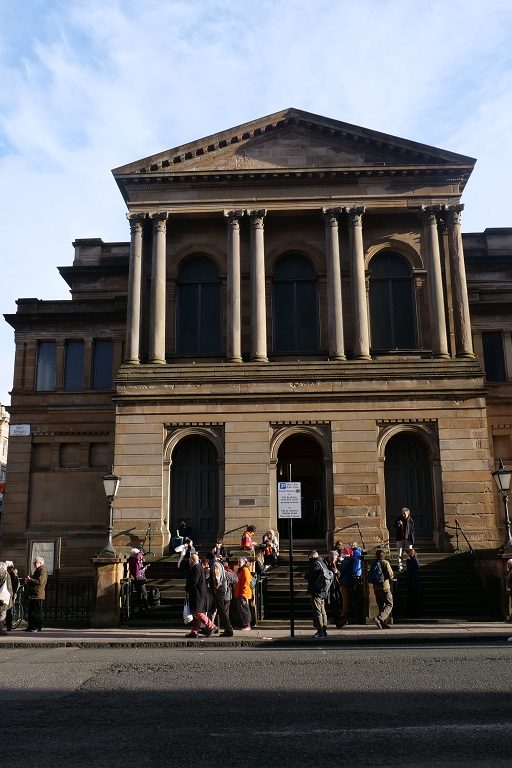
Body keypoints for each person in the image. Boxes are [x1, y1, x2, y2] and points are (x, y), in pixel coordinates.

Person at [185, 553, 218, 638]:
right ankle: (194, 631)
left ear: (192, 560)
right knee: (195, 613)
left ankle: (211, 626)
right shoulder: (198, 567)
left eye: (189, 559)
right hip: (198, 594)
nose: (188, 561)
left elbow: (194, 581)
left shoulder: (196, 567)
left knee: (198, 613)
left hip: (198, 594)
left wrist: (187, 588)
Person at [306, 550, 332, 639]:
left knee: (317, 612)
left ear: (312, 556)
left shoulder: (314, 564)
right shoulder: (322, 563)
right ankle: (324, 630)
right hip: (323, 591)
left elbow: (312, 577)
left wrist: (305, 576)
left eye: (309, 557)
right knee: (323, 611)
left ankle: (320, 631)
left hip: (316, 591)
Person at [209, 555, 237, 637]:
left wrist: (216, 587)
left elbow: (216, 577)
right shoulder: (220, 564)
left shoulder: (214, 564)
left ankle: (228, 629)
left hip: (218, 591)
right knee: (213, 609)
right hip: (221, 590)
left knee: (221, 611)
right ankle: (211, 627)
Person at [369, 549, 394, 629]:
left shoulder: (373, 563)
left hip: (376, 587)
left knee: (381, 605)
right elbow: (390, 575)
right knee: (390, 604)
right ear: (383, 555)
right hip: (384, 586)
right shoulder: (385, 562)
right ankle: (380, 618)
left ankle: (383, 624)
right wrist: (391, 578)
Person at [25, 556, 48, 633]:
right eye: (34, 563)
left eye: (36, 563)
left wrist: (30, 580)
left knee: (37, 612)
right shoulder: (37, 570)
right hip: (33, 594)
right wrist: (29, 581)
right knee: (31, 611)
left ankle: (38, 627)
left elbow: (39, 582)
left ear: (40, 563)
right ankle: (31, 626)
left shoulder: (43, 571)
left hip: (38, 594)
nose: (34, 564)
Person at [232, 556, 254, 630]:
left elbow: (246, 583)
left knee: (244, 609)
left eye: (240, 562)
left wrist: (243, 594)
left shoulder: (245, 570)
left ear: (244, 563)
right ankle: (245, 624)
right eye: (238, 562)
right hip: (239, 593)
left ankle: (247, 625)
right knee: (241, 609)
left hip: (243, 593)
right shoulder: (241, 570)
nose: (238, 563)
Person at [127, 548, 149, 614]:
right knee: (144, 593)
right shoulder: (136, 559)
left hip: (136, 578)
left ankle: (141, 608)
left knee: (139, 593)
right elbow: (137, 571)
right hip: (139, 578)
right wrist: (144, 569)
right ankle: (146, 607)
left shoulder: (131, 559)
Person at [337, 546, 354, 627]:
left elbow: (340, 572)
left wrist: (339, 563)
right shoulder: (351, 560)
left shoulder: (345, 562)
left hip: (344, 581)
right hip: (350, 580)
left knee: (344, 598)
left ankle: (344, 612)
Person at [395, 507, 415, 571]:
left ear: (408, 513)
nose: (403, 515)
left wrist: (412, 540)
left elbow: (412, 531)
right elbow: (394, 526)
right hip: (400, 539)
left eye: (404, 514)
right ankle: (400, 566)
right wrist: (398, 524)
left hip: (408, 540)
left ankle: (409, 566)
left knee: (409, 554)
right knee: (400, 554)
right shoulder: (399, 519)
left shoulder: (411, 521)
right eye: (402, 513)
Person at [405, 548, 421, 618]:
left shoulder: (413, 560)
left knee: (413, 598)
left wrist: (408, 561)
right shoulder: (413, 559)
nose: (406, 555)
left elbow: (412, 568)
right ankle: (412, 613)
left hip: (413, 582)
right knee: (412, 598)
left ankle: (414, 614)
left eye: (407, 553)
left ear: (410, 554)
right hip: (413, 581)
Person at [5, 561, 19, 632]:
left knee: (8, 611)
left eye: (10, 567)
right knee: (7, 611)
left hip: (8, 595)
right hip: (9, 595)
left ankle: (8, 626)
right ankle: (8, 626)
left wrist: (11, 594)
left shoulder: (12, 575)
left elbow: (13, 586)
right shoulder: (10, 574)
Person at [0, 562, 13, 635]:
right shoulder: (6, 574)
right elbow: (9, 586)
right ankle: (0, 630)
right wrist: (11, 595)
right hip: (3, 597)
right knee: (2, 614)